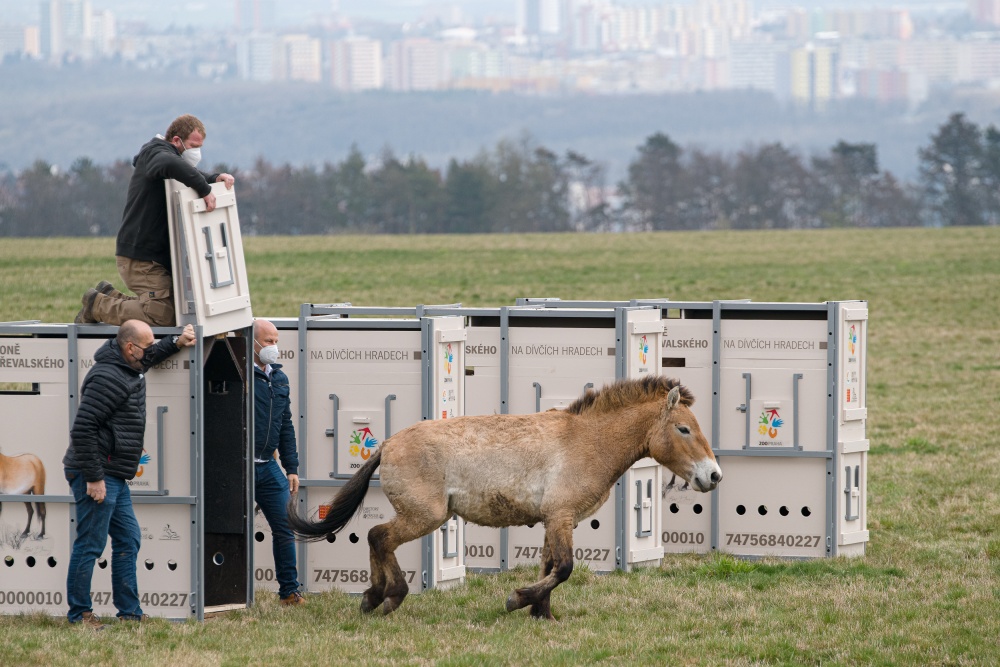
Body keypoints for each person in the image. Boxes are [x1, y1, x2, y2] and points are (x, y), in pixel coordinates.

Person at [63, 320, 196, 628]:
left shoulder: (129, 364)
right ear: (129, 347)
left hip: (114, 473)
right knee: (90, 544)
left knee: (129, 539)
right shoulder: (108, 377)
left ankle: (130, 613)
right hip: (96, 472)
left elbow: (150, 356)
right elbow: (83, 428)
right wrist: (94, 478)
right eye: (146, 347)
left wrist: (176, 342)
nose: (149, 353)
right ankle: (80, 614)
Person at [75, 114, 235, 327]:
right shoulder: (156, 154)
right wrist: (205, 190)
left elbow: (185, 170)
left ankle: (109, 295)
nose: (197, 152)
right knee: (162, 316)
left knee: (171, 308)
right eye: (193, 145)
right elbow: (171, 163)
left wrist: (213, 178)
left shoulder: (163, 158)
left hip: (148, 257)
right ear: (176, 141)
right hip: (141, 259)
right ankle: (97, 305)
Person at [252, 318, 306, 606]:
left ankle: (289, 592)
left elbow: (286, 424)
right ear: (253, 342)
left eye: (276, 341)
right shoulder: (241, 377)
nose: (273, 346)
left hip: (268, 466)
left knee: (286, 526)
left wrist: (292, 467)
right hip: (239, 466)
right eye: (268, 341)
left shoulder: (279, 377)